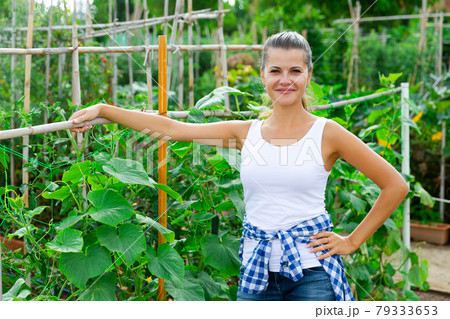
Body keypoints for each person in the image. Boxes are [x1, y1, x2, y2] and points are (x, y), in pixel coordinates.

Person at [69, 31, 409, 301]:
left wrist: (352, 241)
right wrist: (105, 109)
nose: (285, 79)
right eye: (275, 70)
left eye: (295, 70)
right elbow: (173, 128)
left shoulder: (328, 133)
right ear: (262, 75)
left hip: (311, 275)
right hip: (257, 272)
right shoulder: (246, 132)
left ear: (308, 75)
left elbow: (396, 185)